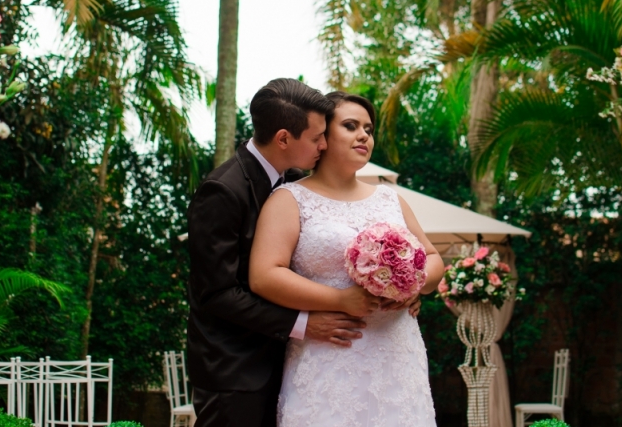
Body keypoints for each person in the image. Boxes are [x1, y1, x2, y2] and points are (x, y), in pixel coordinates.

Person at [187, 79, 381, 427]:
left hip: (293, 366)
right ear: (283, 139)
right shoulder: (221, 190)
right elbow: (217, 293)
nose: (324, 144)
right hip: (235, 372)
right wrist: (304, 324)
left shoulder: (294, 182)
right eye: (317, 137)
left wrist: (392, 287)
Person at [249, 91, 445, 426]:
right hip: (329, 355)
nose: (364, 135)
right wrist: (340, 300)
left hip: (398, 357)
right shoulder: (289, 199)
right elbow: (265, 275)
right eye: (351, 126)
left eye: (368, 129)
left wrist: (412, 285)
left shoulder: (390, 199)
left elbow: (434, 259)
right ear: (322, 136)